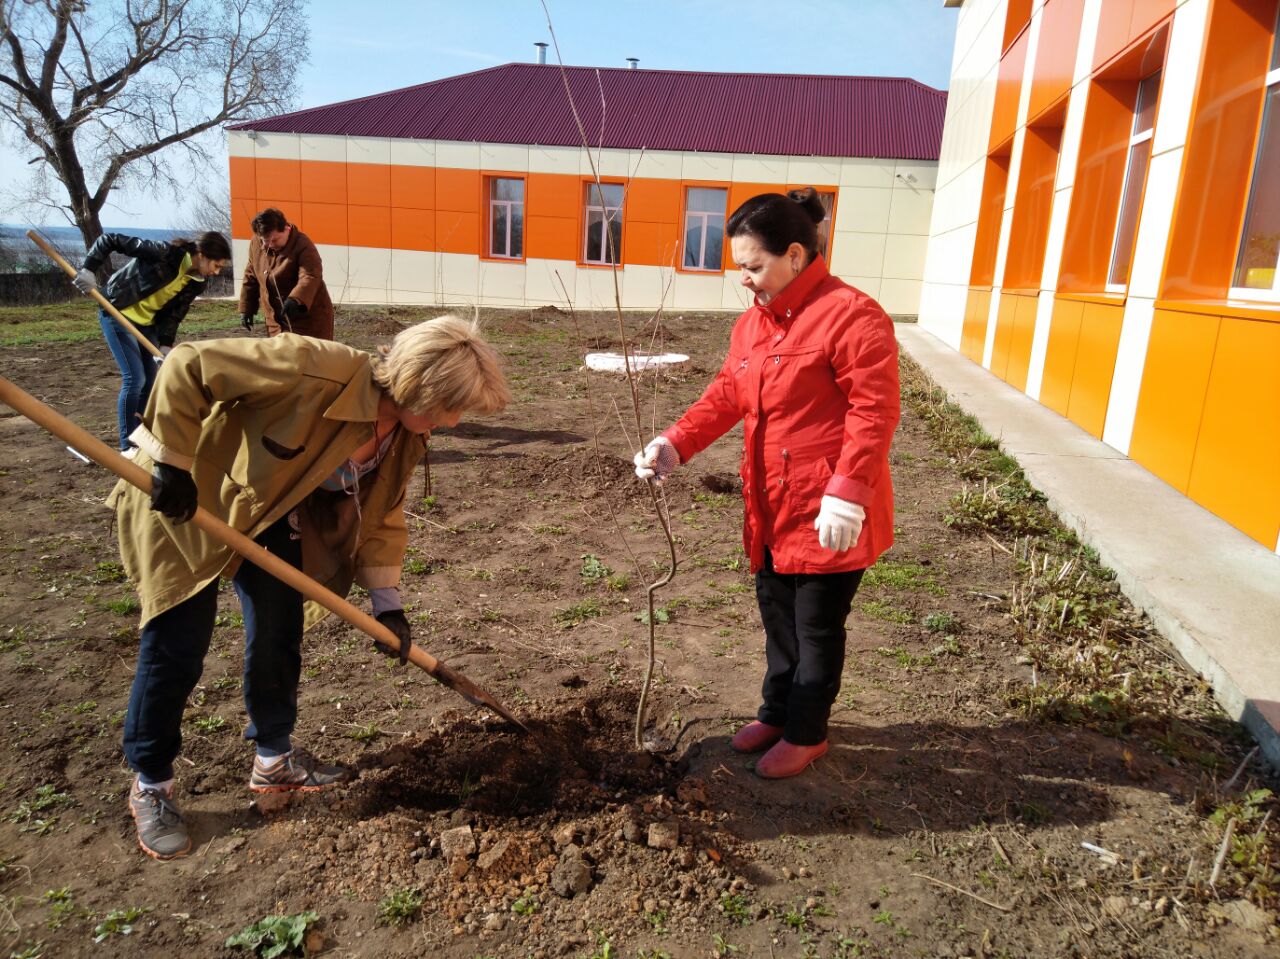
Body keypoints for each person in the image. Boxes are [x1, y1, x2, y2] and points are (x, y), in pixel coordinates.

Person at [109, 316, 510, 860]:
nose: (457, 421)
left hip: (268, 512)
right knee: (178, 644)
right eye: (451, 408)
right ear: (421, 388)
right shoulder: (314, 369)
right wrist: (172, 462)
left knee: (278, 632)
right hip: (186, 500)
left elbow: (383, 516)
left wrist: (387, 606)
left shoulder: (405, 436)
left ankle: (274, 761)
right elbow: (188, 363)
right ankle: (151, 784)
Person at [635, 188, 900, 780]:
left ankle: (808, 732)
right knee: (777, 618)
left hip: (829, 508)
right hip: (771, 505)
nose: (747, 281)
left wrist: (848, 489)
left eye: (755, 267)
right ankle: (778, 713)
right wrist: (675, 441)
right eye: (742, 270)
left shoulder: (852, 315)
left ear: (797, 256)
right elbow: (727, 394)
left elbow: (873, 411)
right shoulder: (754, 327)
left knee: (815, 628)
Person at [73, 232, 231, 451]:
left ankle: (141, 437)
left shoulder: (197, 282)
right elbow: (109, 239)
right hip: (118, 312)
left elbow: (175, 313)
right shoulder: (162, 253)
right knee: (135, 379)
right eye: (216, 265)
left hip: (147, 325)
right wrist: (89, 269)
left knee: (151, 381)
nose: (216, 271)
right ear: (202, 254)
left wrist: (165, 344)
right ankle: (127, 446)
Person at [239, 207, 334, 339]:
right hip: (275, 321)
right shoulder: (256, 244)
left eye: (275, 240)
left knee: (307, 357)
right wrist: (246, 308)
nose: (269, 245)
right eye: (264, 241)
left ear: (286, 229)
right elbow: (251, 275)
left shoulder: (303, 244)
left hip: (308, 319)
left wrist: (296, 299)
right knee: (280, 357)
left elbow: (310, 275)